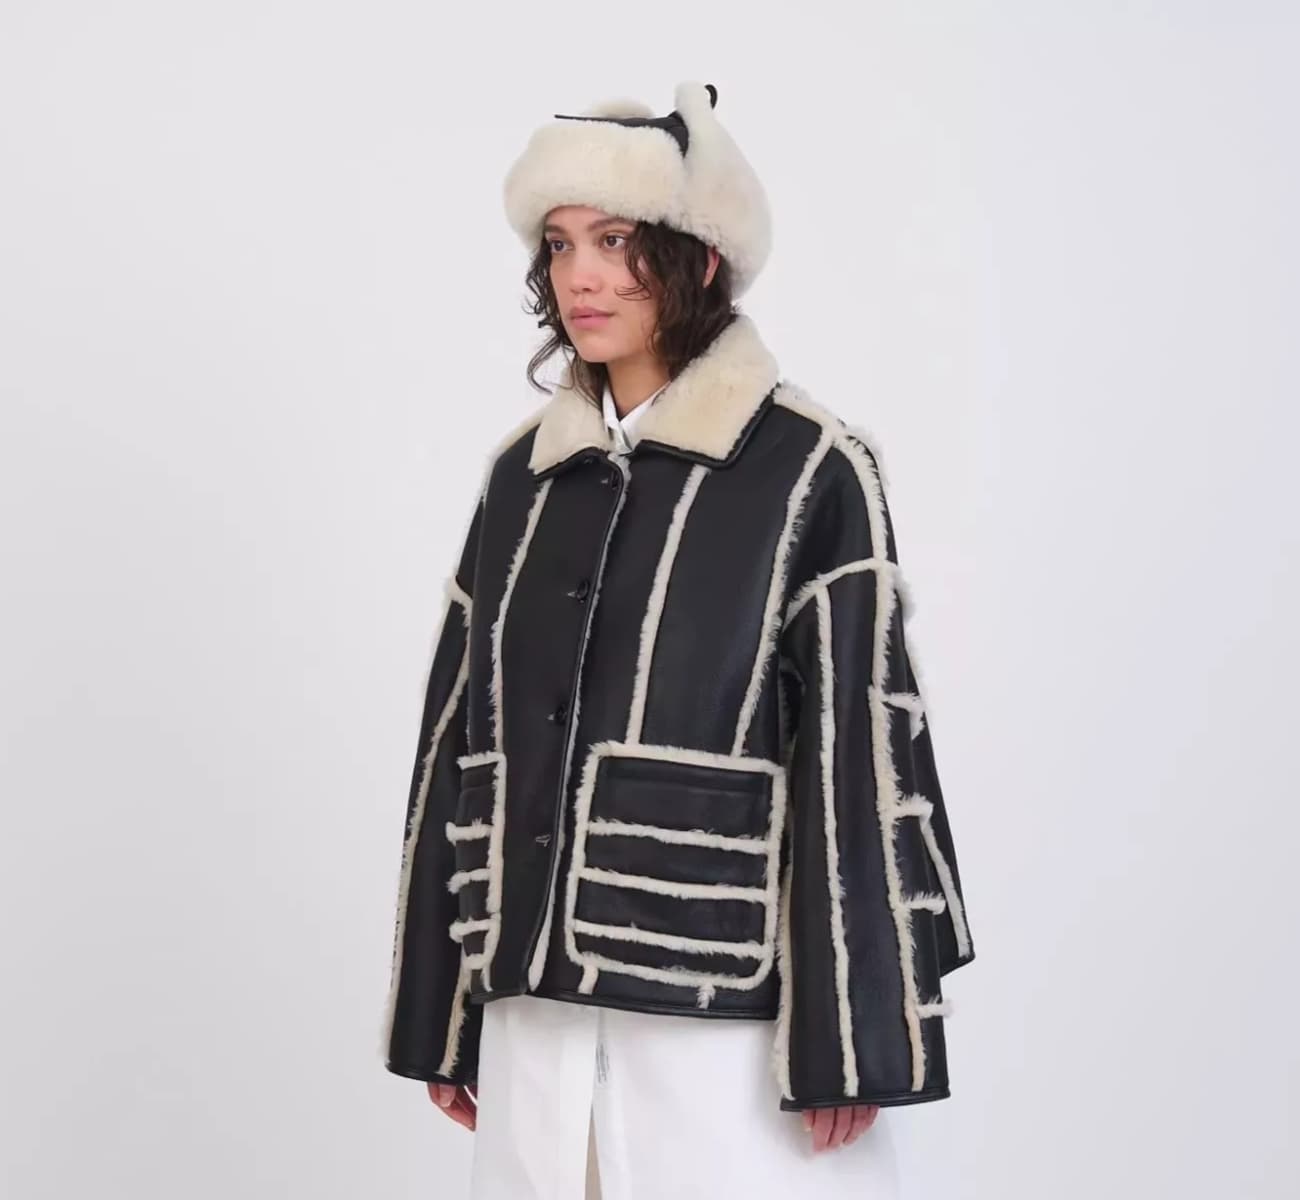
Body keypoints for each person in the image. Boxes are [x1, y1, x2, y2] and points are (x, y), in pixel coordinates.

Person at [381, 80, 976, 1199]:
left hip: (722, 1030)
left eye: (616, 242)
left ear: (699, 258)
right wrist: (443, 1013)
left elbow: (860, 750)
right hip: (534, 1023)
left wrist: (851, 1036)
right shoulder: (523, 479)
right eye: (561, 245)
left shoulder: (810, 467)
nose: (581, 277)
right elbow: (455, 742)